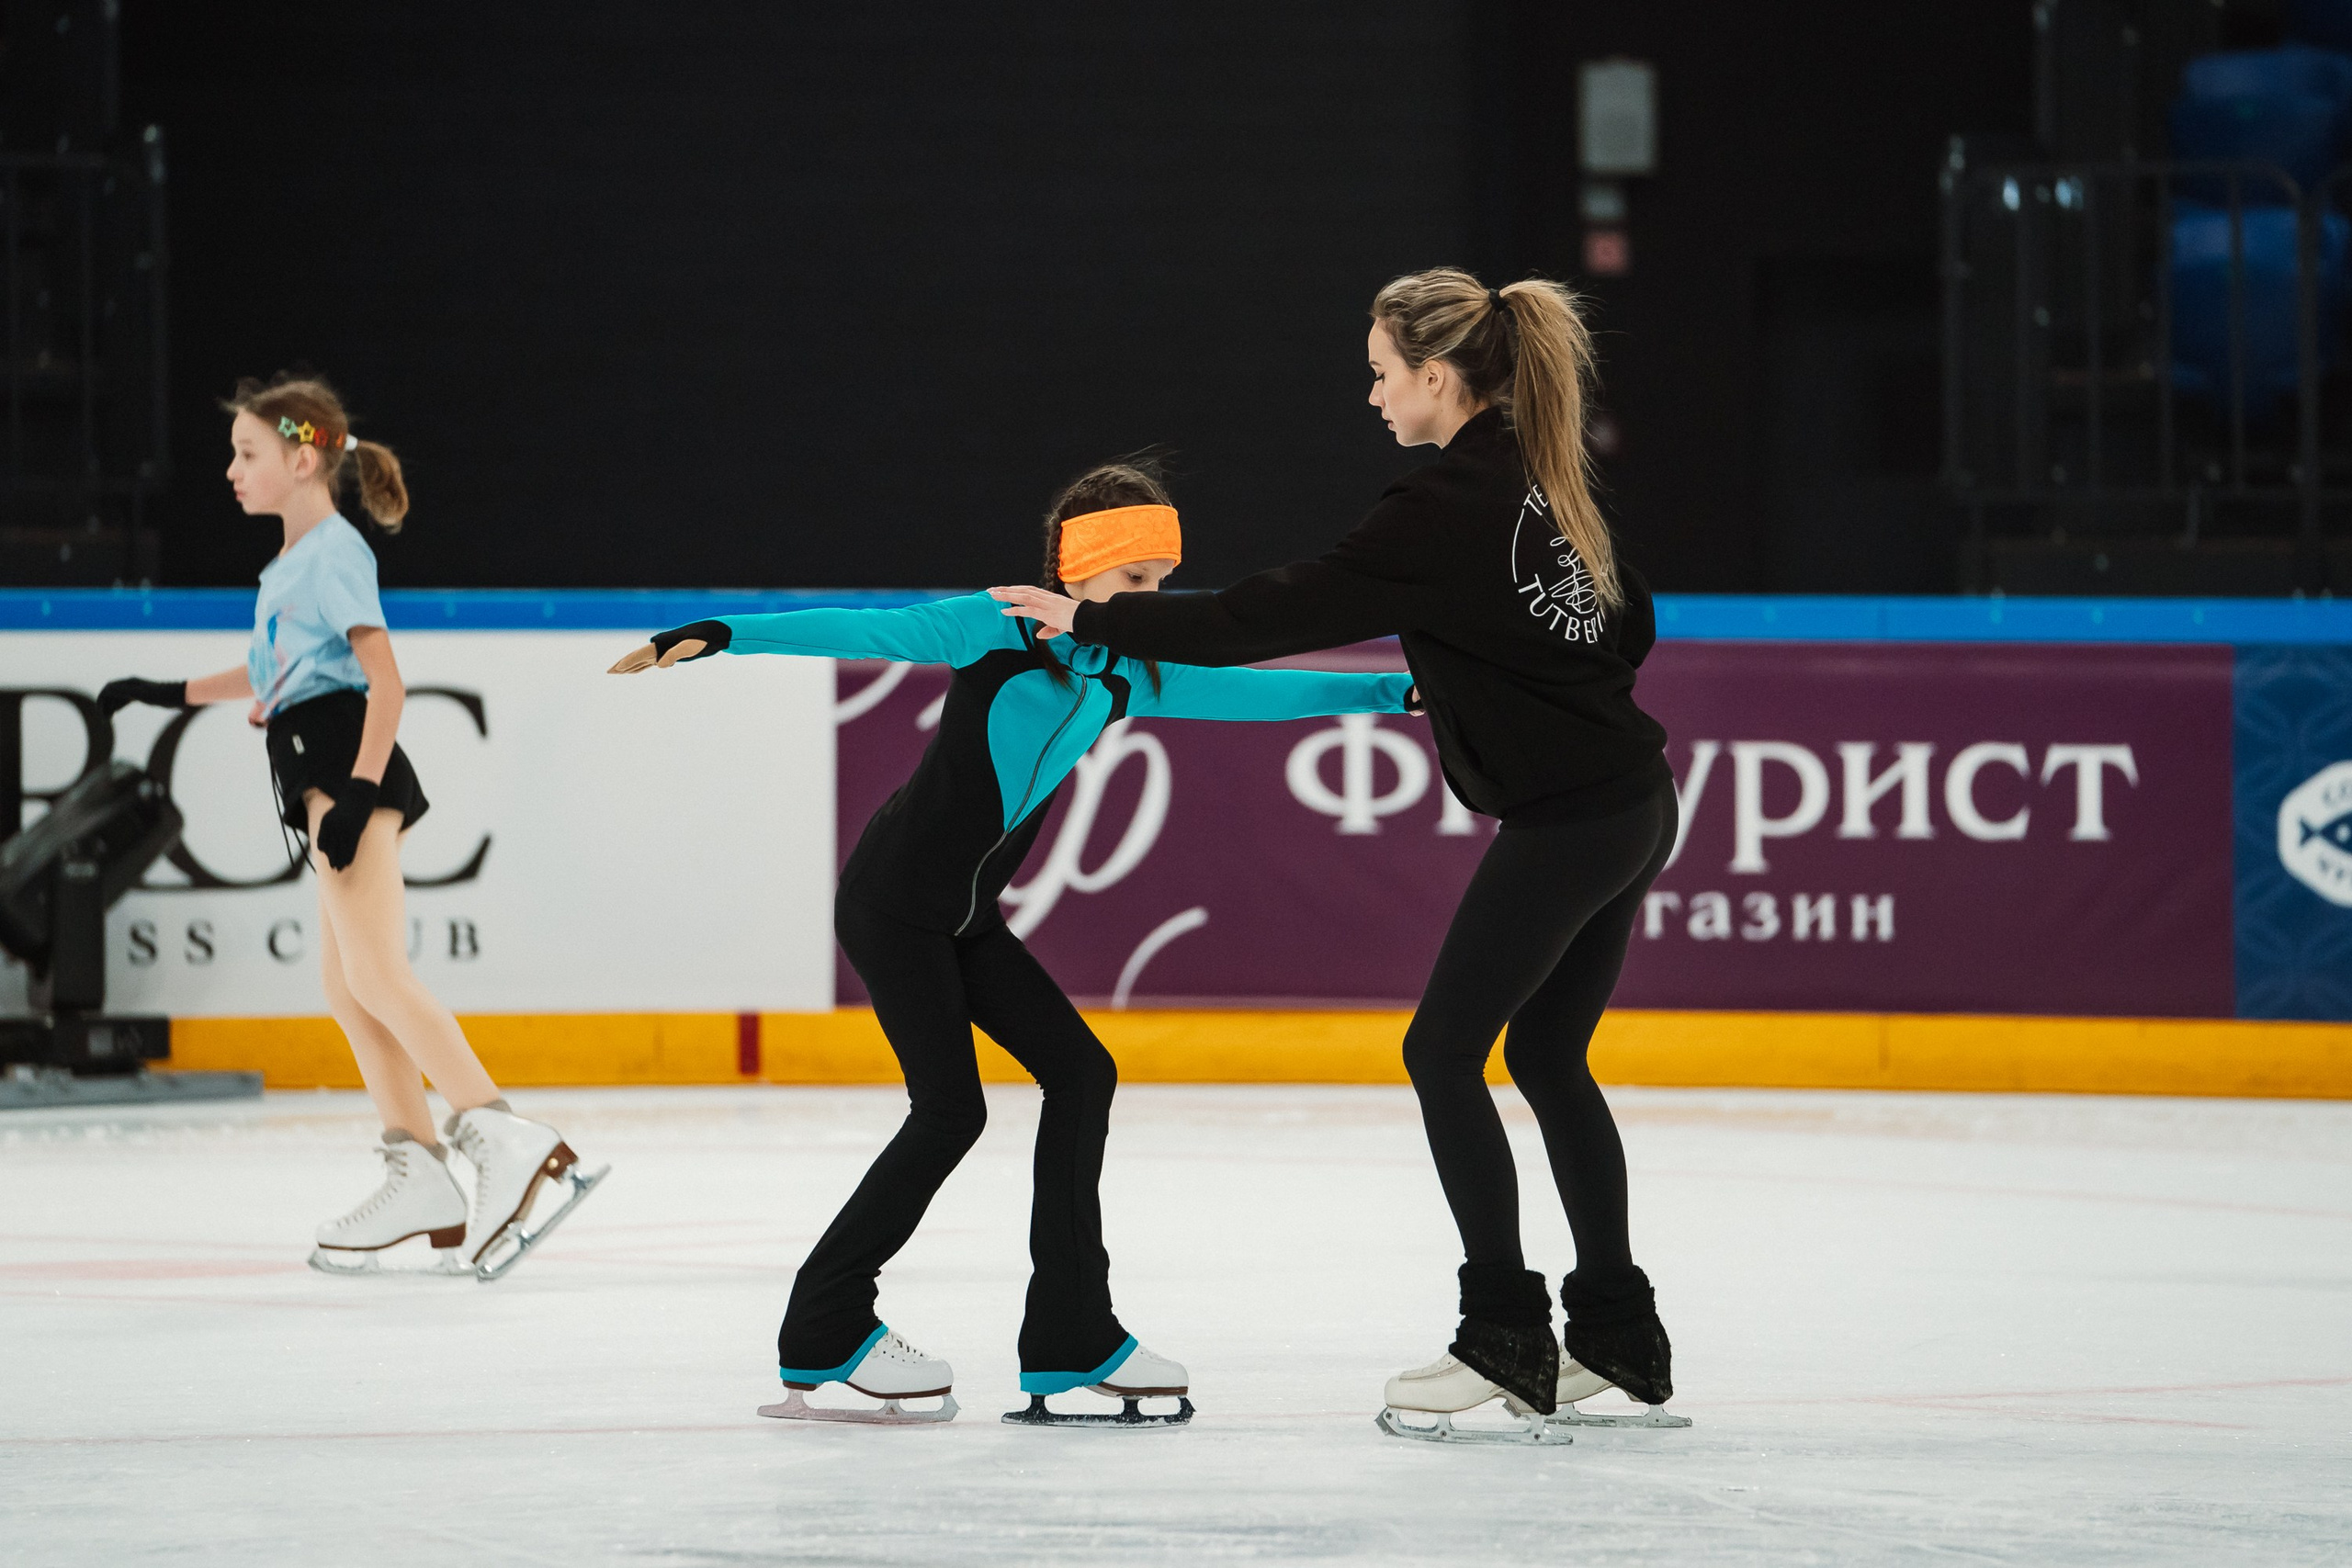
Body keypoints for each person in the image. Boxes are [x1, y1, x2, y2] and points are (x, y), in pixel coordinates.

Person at [991, 270, 1688, 1442]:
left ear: (1431, 374)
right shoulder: (1537, 473)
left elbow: (1261, 616)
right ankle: (1617, 1341)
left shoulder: (1439, 509)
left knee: (1443, 1053)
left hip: (1574, 817)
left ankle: (1503, 1337)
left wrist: (1092, 618)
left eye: (1377, 373)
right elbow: (1627, 624)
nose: (1369, 395)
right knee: (1550, 1059)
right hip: (1627, 799)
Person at [612, 459, 1418, 1427]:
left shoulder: (1124, 669)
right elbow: (862, 629)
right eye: (1132, 585)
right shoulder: (992, 627)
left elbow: (1257, 696)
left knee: (1081, 1075)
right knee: (949, 1113)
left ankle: (1072, 1336)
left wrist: (1400, 691)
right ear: (1077, 575)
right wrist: (720, 635)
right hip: (894, 908)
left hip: (965, 919)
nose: (1148, 605)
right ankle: (824, 1328)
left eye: (1159, 588)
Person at [100, 374, 604, 1282]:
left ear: (303, 458)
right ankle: (422, 1174)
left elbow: (387, 682)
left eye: (247, 454)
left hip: (344, 766)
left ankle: (504, 1135)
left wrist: (363, 792)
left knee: (376, 972)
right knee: (348, 988)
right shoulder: (292, 566)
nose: (230, 471)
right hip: (322, 768)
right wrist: (160, 693)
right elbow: (268, 680)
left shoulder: (332, 553)